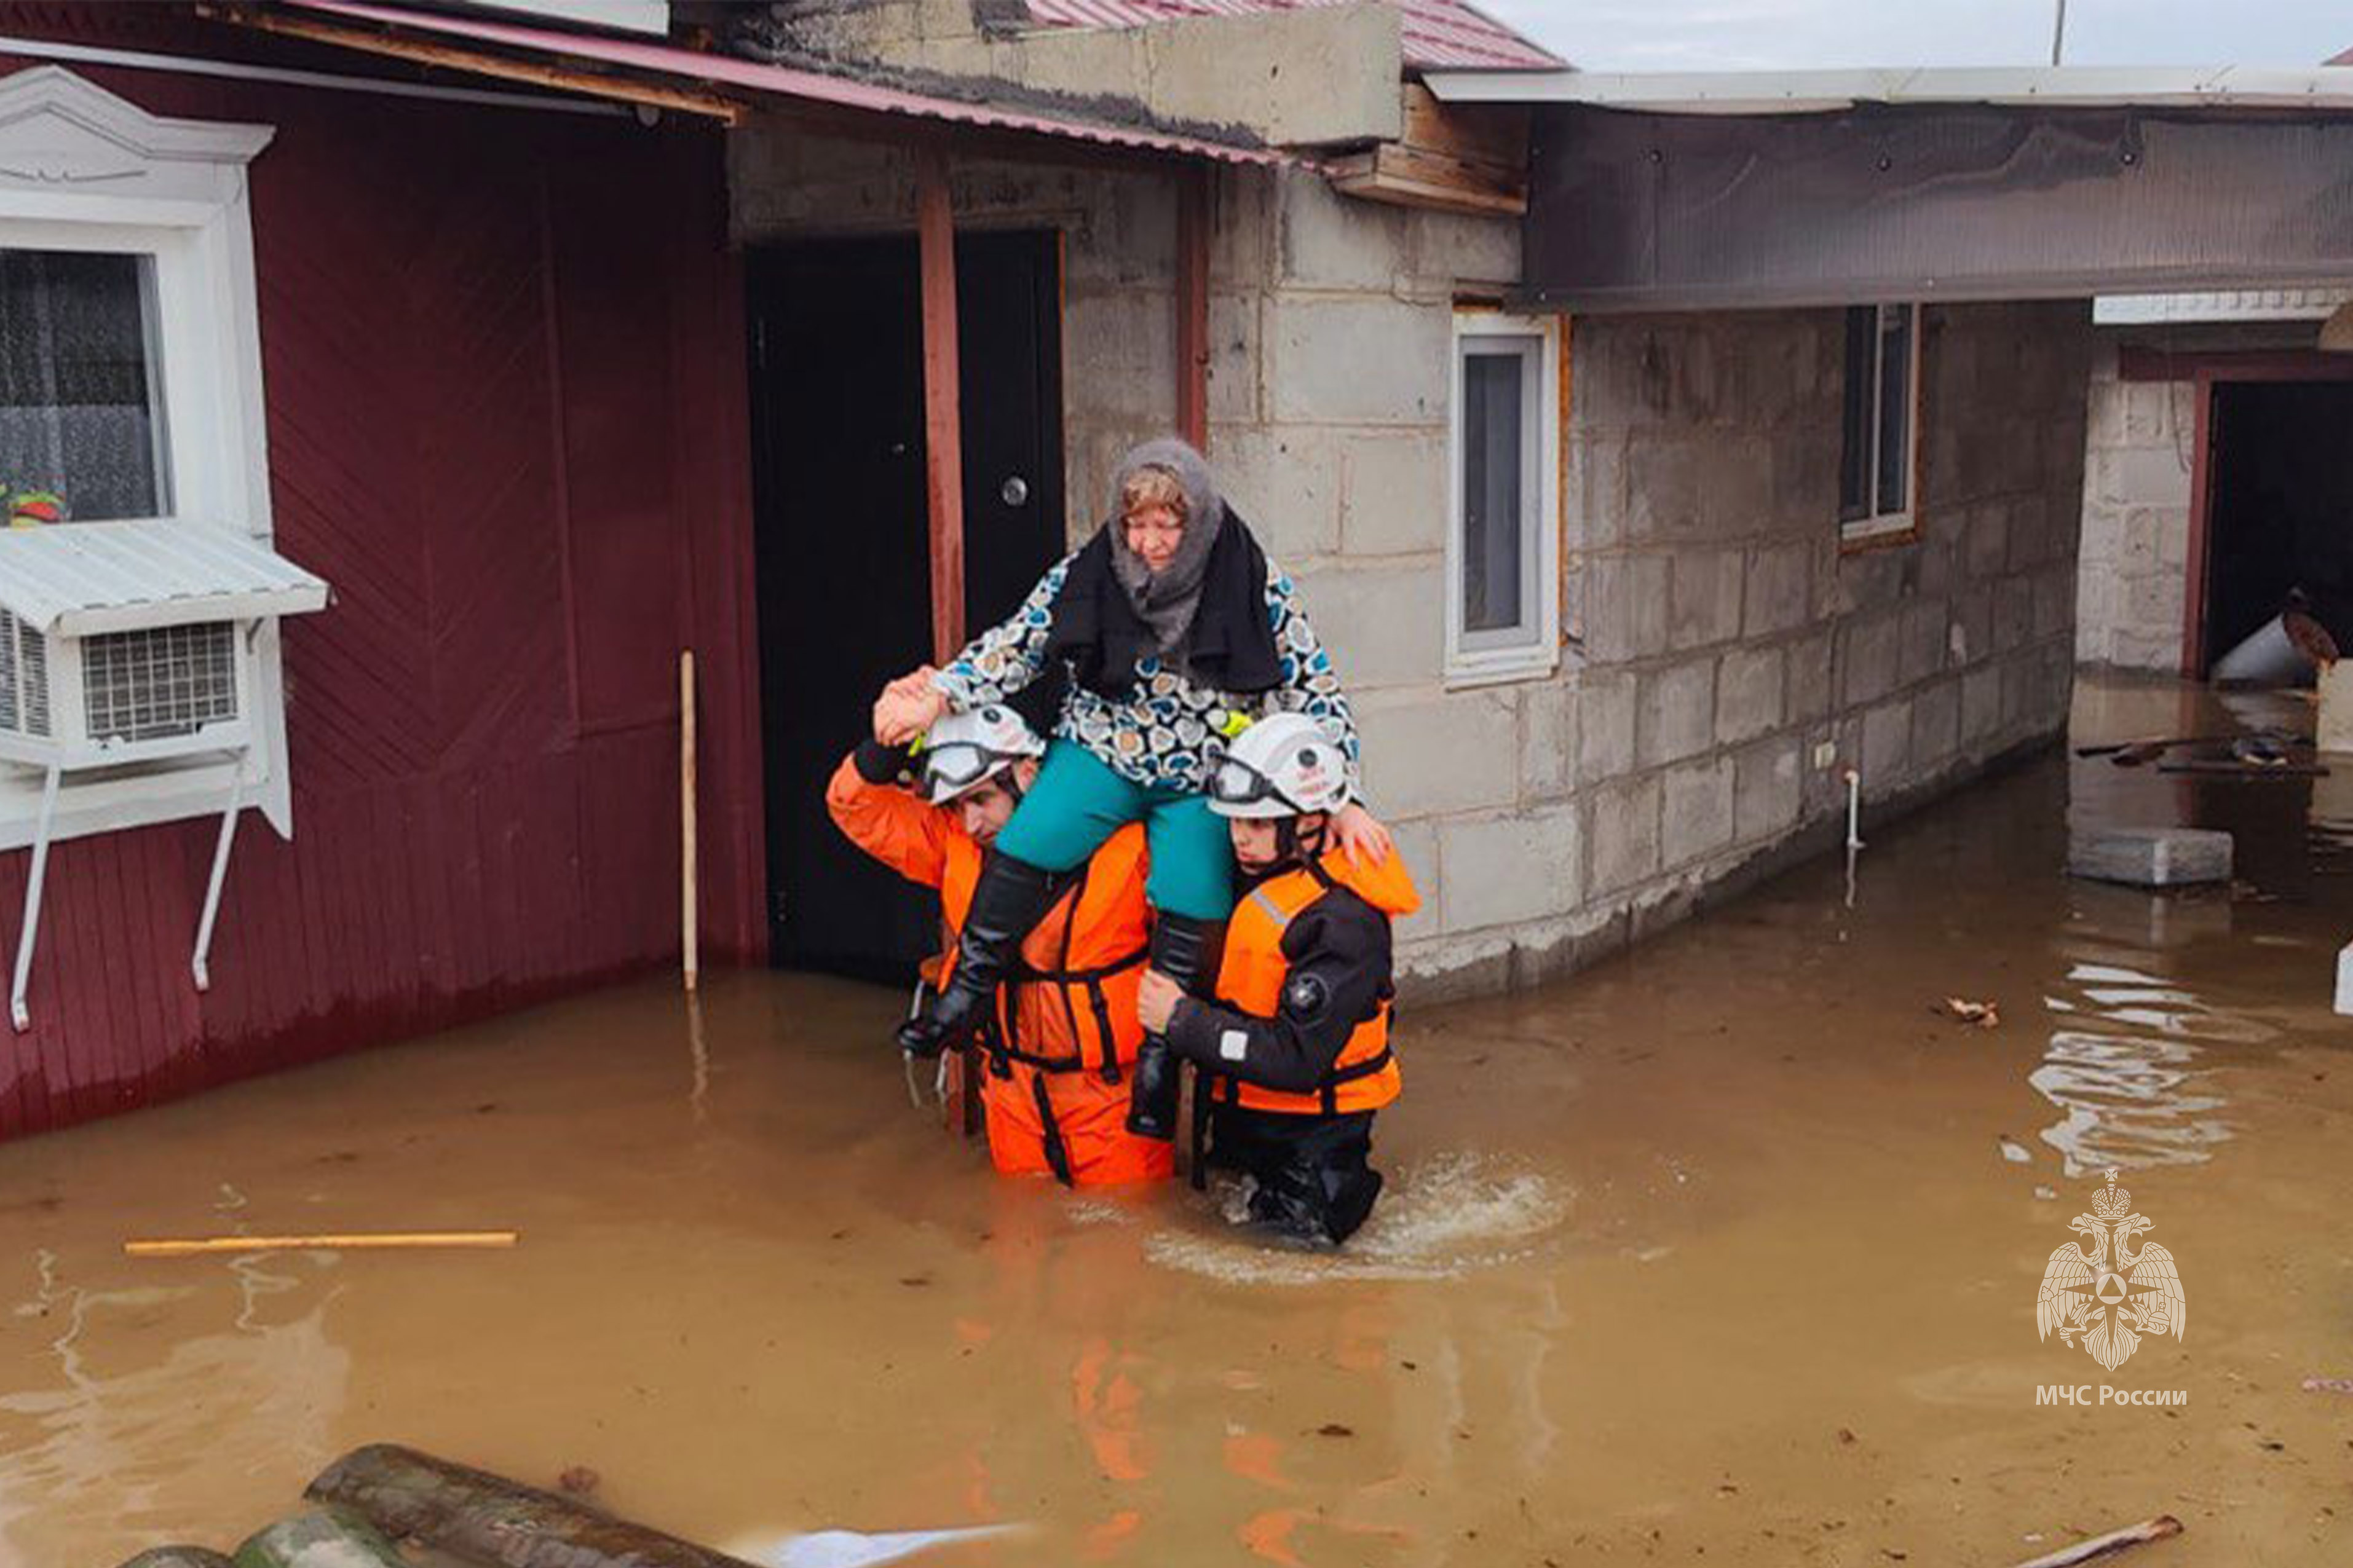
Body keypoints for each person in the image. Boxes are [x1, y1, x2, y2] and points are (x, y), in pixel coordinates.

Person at [872, 437, 1389, 1143]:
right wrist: (940, 694)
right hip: (1100, 752)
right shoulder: (1090, 569)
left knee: (1194, 890)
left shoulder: (1251, 579)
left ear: (1196, 520)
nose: (1147, 543)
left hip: (1197, 773)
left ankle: (1157, 1060)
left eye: (1165, 526)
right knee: (1025, 843)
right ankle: (966, 993)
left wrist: (1345, 795)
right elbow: (1018, 643)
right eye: (1135, 524)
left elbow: (1315, 687)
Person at [826, 704, 1172, 1187]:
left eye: (982, 799)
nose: (971, 823)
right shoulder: (955, 847)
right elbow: (854, 805)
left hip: (1112, 1097)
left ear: (1027, 775)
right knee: (1015, 1244)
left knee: (1125, 1244)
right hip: (1012, 1095)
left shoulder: (1131, 847)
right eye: (957, 805)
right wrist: (894, 739)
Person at [1134, 713, 1417, 1245]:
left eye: (1259, 824)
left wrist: (1180, 1019)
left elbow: (1296, 1059)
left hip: (1312, 1150)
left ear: (1310, 820)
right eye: (1236, 822)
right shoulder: (1261, 869)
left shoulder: (1344, 923)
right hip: (1246, 1123)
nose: (1240, 839)